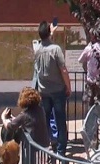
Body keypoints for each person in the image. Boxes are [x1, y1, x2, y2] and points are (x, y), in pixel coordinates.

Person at [1, 87, 51, 164]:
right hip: (44, 147)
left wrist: (3, 117)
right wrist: (14, 118)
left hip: (34, 150)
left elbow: (10, 126)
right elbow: (24, 121)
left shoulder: (25, 115)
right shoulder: (40, 110)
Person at [33, 21, 72, 156]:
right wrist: (68, 86)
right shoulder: (56, 49)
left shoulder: (37, 49)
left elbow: (42, 42)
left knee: (46, 121)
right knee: (60, 121)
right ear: (49, 33)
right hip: (58, 91)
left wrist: (49, 32)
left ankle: (50, 145)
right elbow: (63, 70)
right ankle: (61, 150)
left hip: (44, 92)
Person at [78, 36, 100, 118]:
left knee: (91, 110)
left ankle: (92, 129)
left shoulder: (89, 48)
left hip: (92, 84)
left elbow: (80, 60)